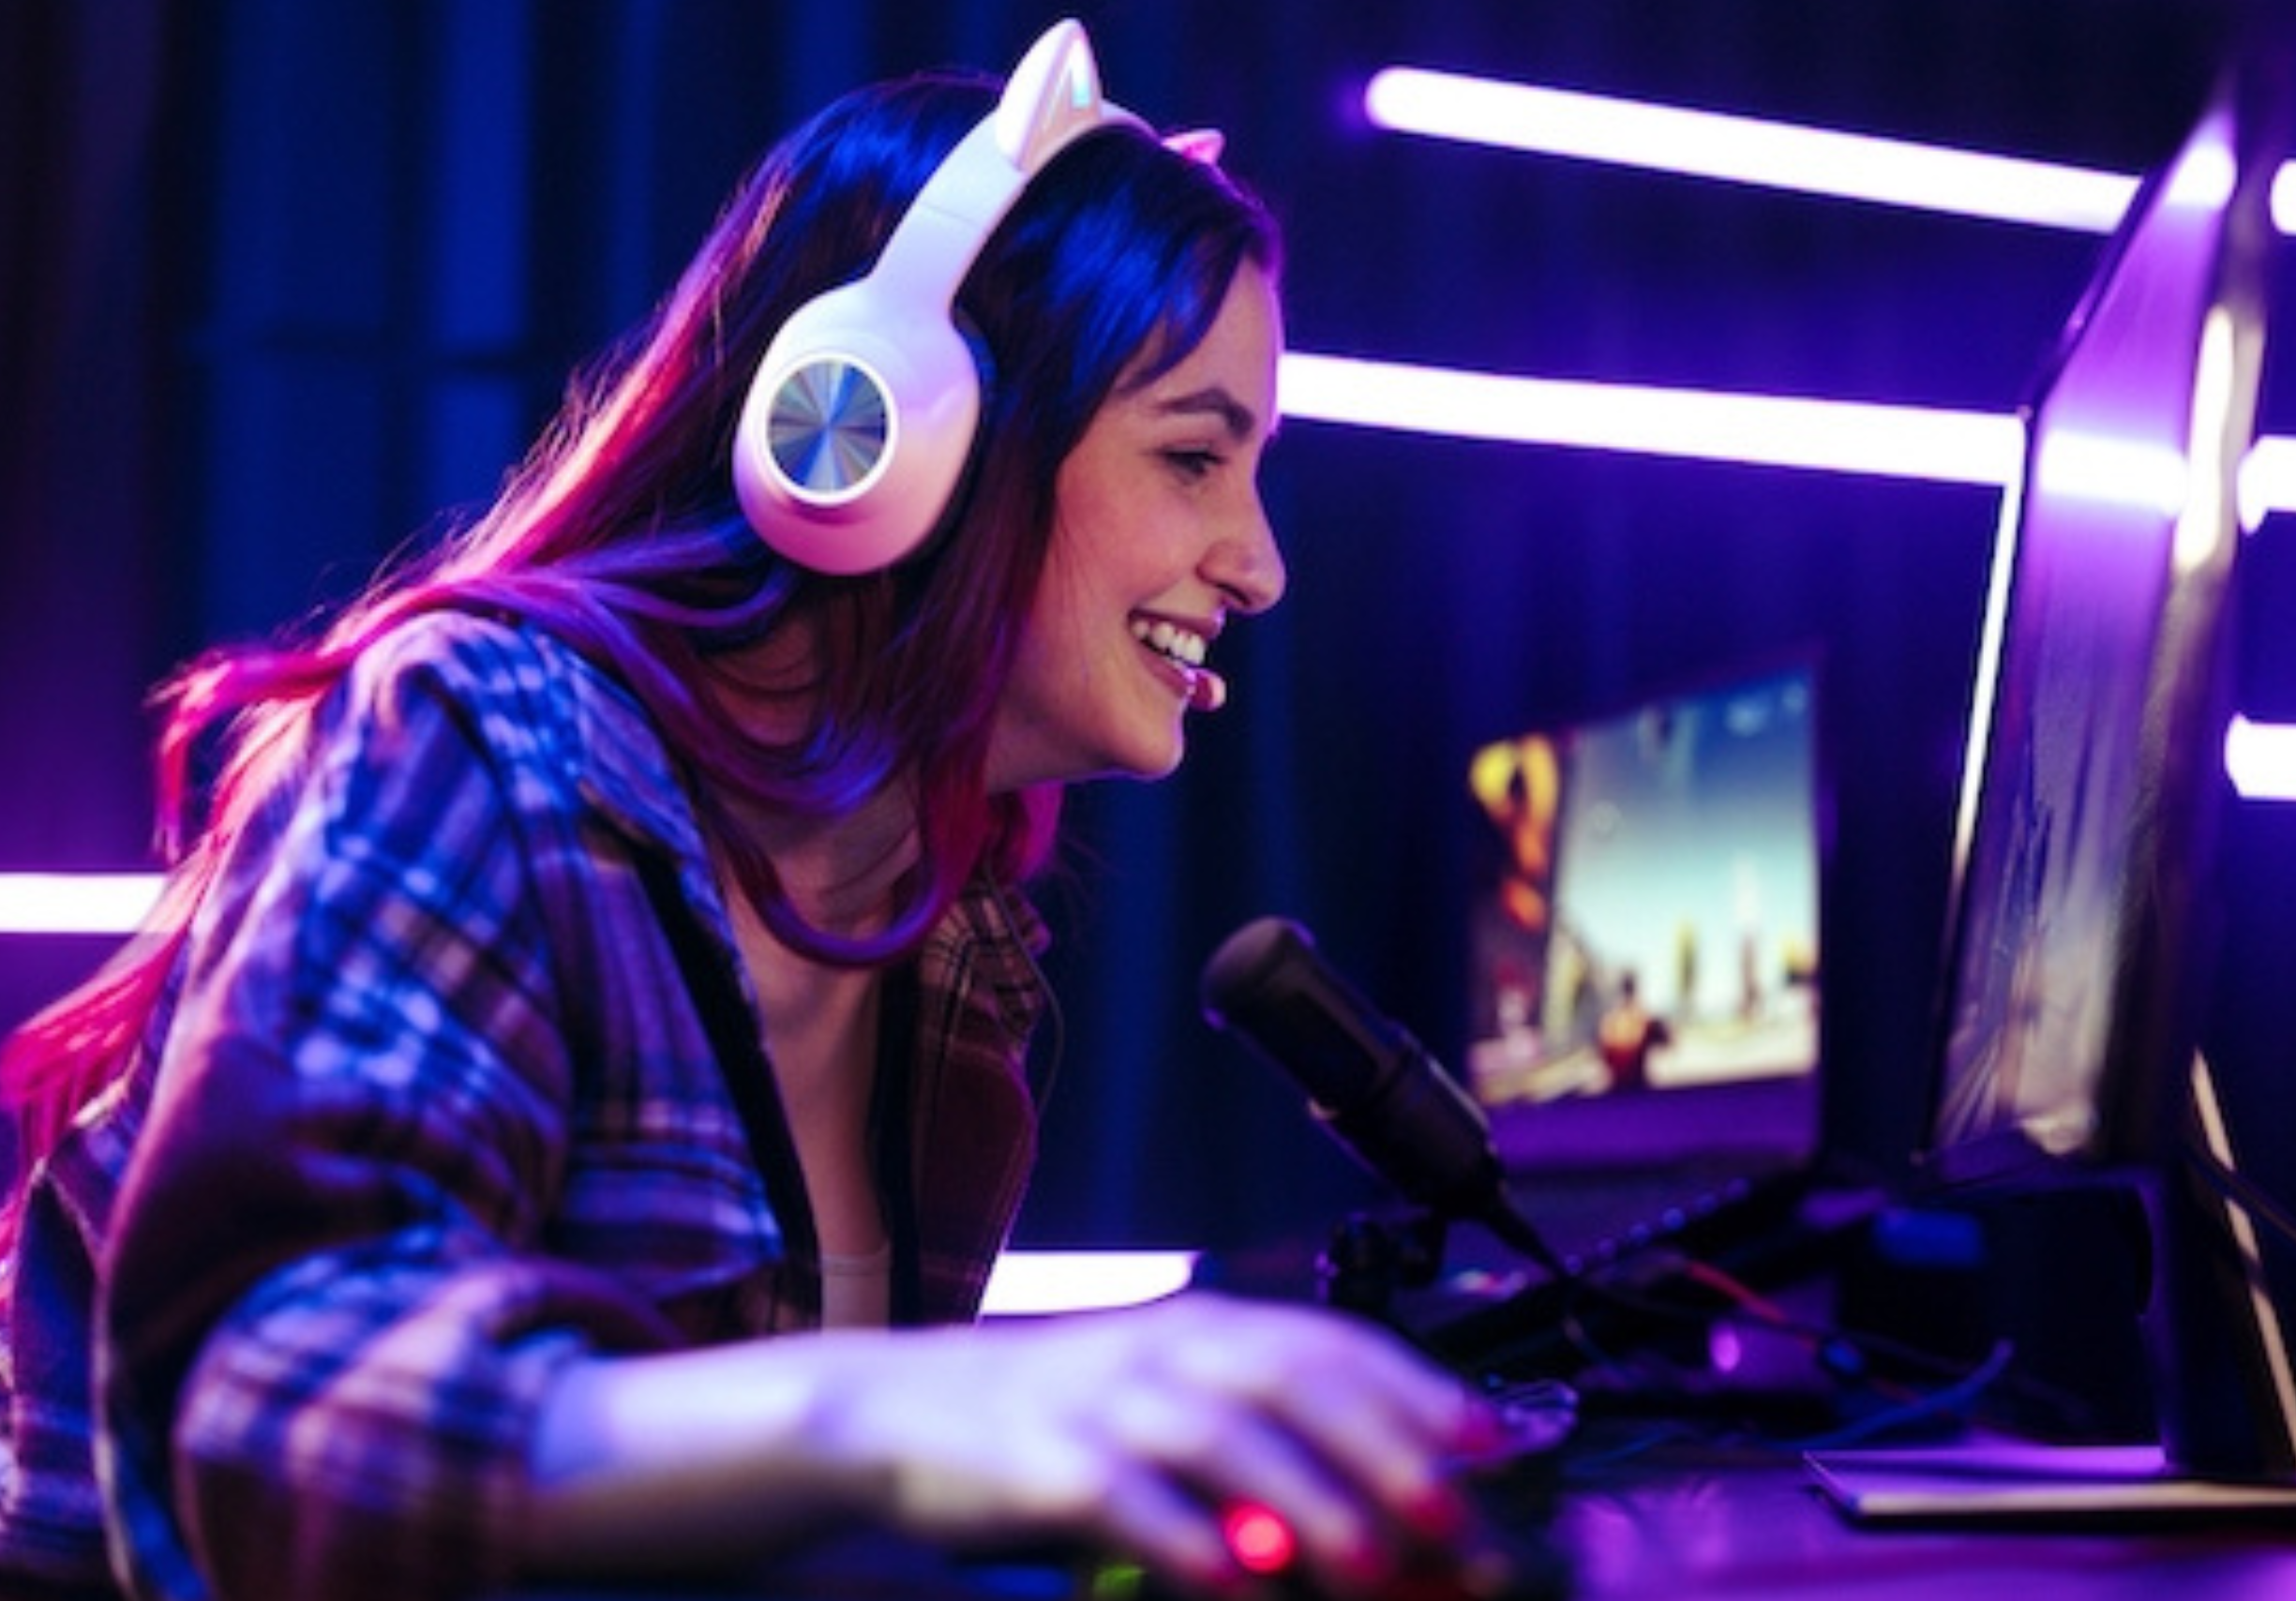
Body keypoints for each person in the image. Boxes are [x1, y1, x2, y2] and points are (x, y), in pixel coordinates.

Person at [0, 22, 1496, 1601]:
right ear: (904, 430)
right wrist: (912, 1407)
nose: (1259, 565)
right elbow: (273, 1409)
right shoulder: (493, 734)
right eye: (1194, 456)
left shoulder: (954, 956)